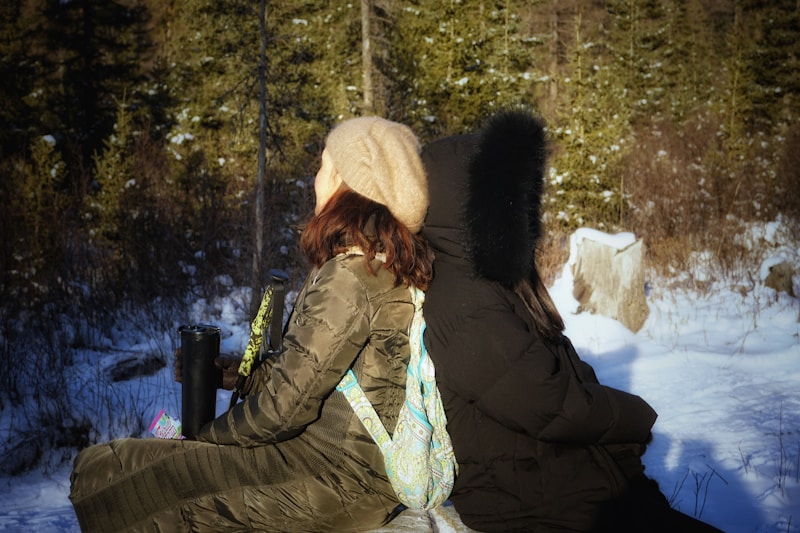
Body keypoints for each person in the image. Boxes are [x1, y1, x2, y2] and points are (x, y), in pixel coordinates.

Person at [69, 116, 433, 532]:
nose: (314, 180)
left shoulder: (350, 276)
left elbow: (283, 410)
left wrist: (202, 439)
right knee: (129, 465)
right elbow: (308, 381)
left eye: (322, 167)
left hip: (333, 476)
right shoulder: (384, 264)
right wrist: (240, 375)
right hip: (345, 470)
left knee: (111, 470)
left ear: (347, 184)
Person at [419, 109, 722, 532]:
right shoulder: (464, 300)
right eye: (508, 201)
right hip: (530, 506)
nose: (521, 214)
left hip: (560, 486)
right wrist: (634, 416)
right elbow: (546, 403)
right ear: (469, 208)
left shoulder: (490, 283)